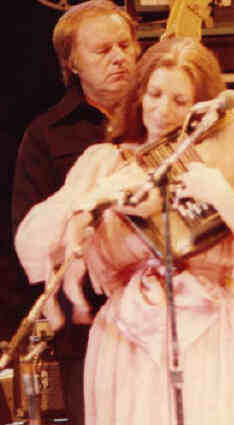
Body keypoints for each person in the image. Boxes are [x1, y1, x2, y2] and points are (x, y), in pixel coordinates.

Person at [15, 37, 234, 425]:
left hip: (212, 342)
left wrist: (223, 198)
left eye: (179, 101)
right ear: (139, 95)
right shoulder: (105, 164)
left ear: (201, 107)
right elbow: (35, 241)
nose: (162, 109)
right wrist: (87, 209)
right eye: (154, 94)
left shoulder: (225, 167)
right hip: (127, 344)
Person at [11, 1, 140, 423]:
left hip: (168, 321)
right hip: (89, 332)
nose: (120, 57)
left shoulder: (163, 119)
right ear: (72, 62)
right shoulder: (46, 135)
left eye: (125, 44)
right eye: (103, 50)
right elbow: (29, 235)